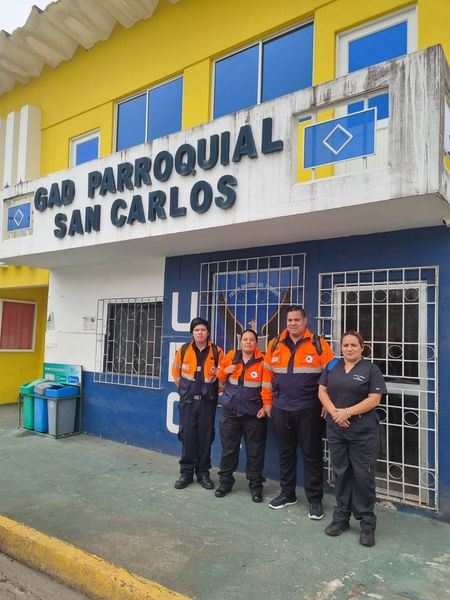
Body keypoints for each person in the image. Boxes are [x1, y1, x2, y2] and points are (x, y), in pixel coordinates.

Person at [262, 306, 334, 519]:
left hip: (309, 410)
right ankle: (288, 493)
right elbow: (267, 376)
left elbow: (332, 376)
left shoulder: (319, 345)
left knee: (312, 455)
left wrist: (327, 402)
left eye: (296, 320)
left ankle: (315, 500)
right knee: (285, 453)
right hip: (281, 408)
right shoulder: (275, 344)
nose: (292, 323)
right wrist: (267, 402)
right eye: (289, 320)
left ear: (305, 321)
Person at [318, 330, 387, 547]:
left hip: (362, 433)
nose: (349, 349)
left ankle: (367, 523)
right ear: (341, 347)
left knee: (363, 476)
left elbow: (374, 399)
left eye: (353, 345)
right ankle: (341, 518)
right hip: (337, 430)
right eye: (346, 345)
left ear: (361, 348)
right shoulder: (332, 366)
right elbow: (322, 391)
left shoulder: (371, 369)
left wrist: (346, 412)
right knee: (341, 473)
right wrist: (335, 413)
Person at [172, 317, 224, 490]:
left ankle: (203, 473)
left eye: (203, 330)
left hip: (207, 403)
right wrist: (185, 391)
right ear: (192, 333)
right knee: (187, 436)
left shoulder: (217, 351)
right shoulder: (184, 350)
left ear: (208, 332)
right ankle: (186, 473)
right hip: (187, 402)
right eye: (196, 330)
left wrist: (215, 394)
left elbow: (222, 377)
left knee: (205, 437)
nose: (200, 333)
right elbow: (176, 372)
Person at [215, 329, 267, 503]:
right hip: (230, 413)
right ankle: (225, 482)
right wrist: (225, 371)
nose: (248, 342)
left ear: (256, 343)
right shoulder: (231, 356)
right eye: (245, 339)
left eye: (252, 339)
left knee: (255, 451)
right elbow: (218, 376)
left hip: (254, 414)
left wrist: (265, 406)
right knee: (229, 449)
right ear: (240, 342)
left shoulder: (263, 360)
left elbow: (269, 386)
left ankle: (256, 486)